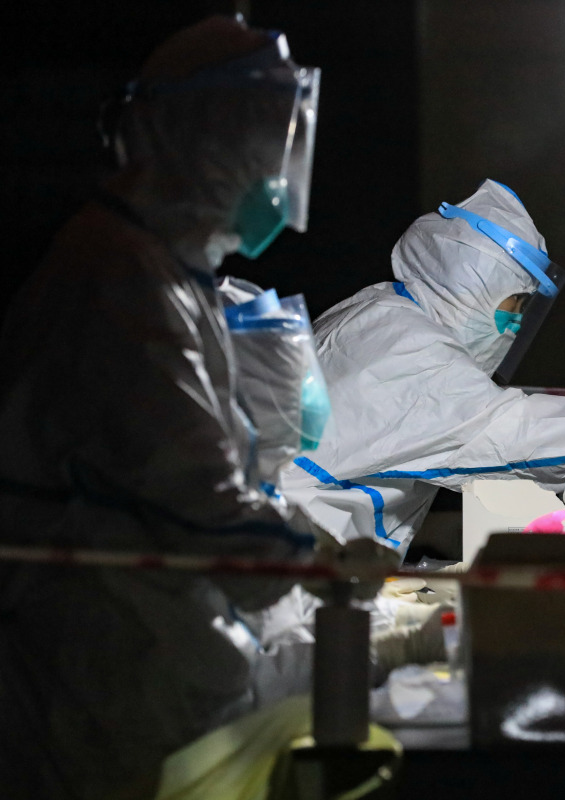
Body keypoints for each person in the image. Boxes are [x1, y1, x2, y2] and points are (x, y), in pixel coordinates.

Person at [0, 17, 324, 799]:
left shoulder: (168, 270)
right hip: (97, 682)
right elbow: (196, 505)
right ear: (212, 143)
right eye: (270, 144)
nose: (283, 172)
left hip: (138, 665)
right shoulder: (119, 280)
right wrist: (313, 561)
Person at [278, 179, 565, 559]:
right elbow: (523, 438)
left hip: (297, 542)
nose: (516, 325)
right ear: (472, 284)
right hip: (297, 562)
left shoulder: (379, 308)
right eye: (514, 304)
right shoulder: (417, 355)